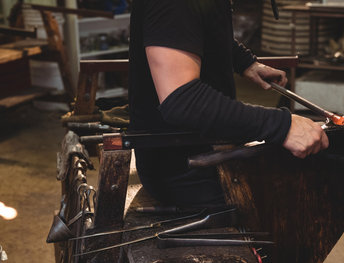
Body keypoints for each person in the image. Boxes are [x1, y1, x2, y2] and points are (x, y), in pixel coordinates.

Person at [128, 0, 329, 207]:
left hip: (204, 146)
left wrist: (244, 62)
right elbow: (182, 101)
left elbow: (195, 29)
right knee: (311, 189)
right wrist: (282, 125)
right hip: (183, 170)